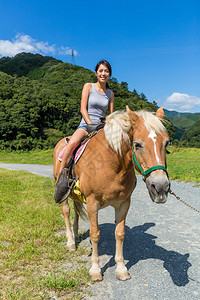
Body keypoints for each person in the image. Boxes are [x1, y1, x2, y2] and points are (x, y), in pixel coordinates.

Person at [55, 60, 114, 203]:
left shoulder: (110, 93)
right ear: (96, 73)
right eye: (100, 71)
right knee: (72, 143)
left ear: (109, 74)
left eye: (106, 71)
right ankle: (62, 178)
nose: (103, 73)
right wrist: (90, 124)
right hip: (85, 126)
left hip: (102, 128)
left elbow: (110, 115)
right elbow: (83, 109)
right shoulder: (88, 86)